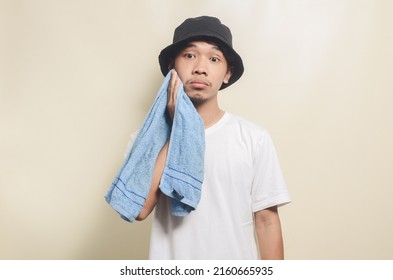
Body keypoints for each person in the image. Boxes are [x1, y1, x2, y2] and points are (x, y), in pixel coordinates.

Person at [131, 16, 290, 259]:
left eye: (214, 59)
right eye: (189, 55)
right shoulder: (146, 140)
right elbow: (139, 209)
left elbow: (267, 222)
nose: (200, 68)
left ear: (228, 73)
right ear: (172, 67)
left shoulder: (253, 139)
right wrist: (178, 129)